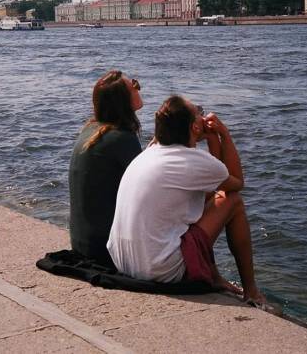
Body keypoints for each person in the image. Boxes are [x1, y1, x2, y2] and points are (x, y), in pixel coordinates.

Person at [107, 95, 268, 307]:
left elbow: (213, 185)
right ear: (194, 127)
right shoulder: (192, 160)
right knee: (233, 202)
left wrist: (209, 140)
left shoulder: (150, 152)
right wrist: (222, 134)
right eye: (199, 112)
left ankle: (216, 278)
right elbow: (236, 183)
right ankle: (252, 292)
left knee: (205, 201)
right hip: (160, 270)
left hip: (123, 262)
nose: (203, 115)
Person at [68, 70, 143, 266]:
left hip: (83, 244)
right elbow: (149, 190)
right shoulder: (122, 138)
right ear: (123, 101)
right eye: (134, 85)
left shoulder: (91, 130)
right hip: (106, 251)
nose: (138, 87)